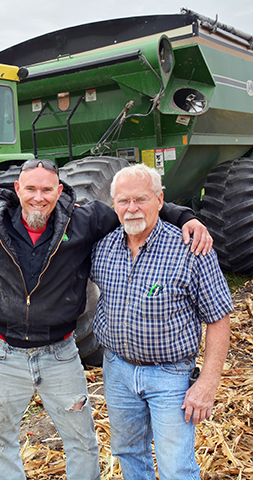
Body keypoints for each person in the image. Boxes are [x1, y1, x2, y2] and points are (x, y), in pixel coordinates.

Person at [0, 159, 213, 480]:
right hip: (4, 354)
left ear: (59, 191)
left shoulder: (83, 220)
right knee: (1, 441)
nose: (37, 197)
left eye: (46, 190)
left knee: (82, 443)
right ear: (17, 189)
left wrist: (184, 217)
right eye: (30, 189)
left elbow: (135, 206)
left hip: (60, 355)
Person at [90, 164, 232, 480]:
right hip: (117, 370)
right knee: (128, 454)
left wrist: (207, 385)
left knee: (175, 466)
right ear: (114, 205)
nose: (132, 208)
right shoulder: (103, 247)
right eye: (123, 201)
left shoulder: (190, 248)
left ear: (160, 200)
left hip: (170, 376)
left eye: (140, 199)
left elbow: (219, 318)